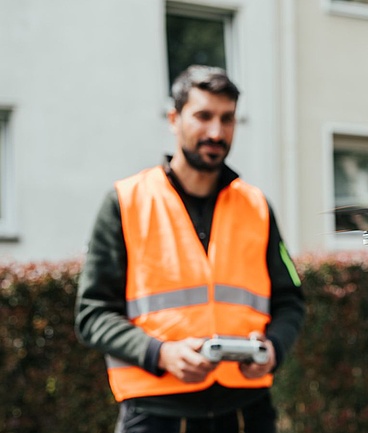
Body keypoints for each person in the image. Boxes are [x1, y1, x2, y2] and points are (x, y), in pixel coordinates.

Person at [75, 65, 305, 433]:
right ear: (173, 118)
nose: (216, 132)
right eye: (203, 116)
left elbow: (290, 301)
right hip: (155, 415)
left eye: (227, 119)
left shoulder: (257, 205)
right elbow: (92, 314)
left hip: (247, 412)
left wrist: (274, 349)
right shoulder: (125, 201)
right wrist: (161, 353)